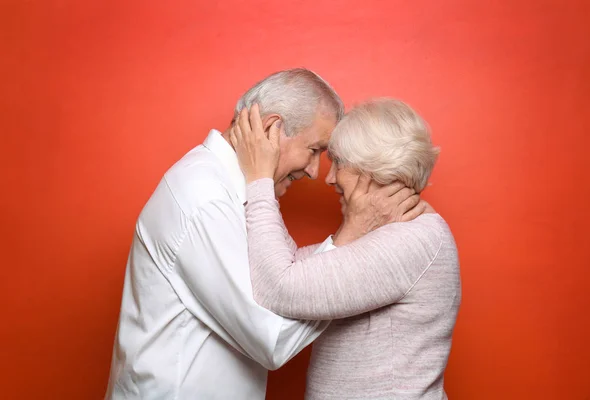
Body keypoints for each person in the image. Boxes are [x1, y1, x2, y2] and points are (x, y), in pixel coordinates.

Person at [104, 70, 423, 400]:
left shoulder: (235, 189)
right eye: (314, 149)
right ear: (272, 129)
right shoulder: (205, 197)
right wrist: (351, 237)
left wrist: (349, 241)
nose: (315, 172)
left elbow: (285, 274)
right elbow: (272, 339)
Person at [231, 98, 462, 399]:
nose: (329, 178)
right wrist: (353, 229)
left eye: (338, 163)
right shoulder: (390, 233)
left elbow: (276, 288)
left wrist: (259, 180)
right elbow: (287, 267)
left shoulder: (412, 240)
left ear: (373, 170)